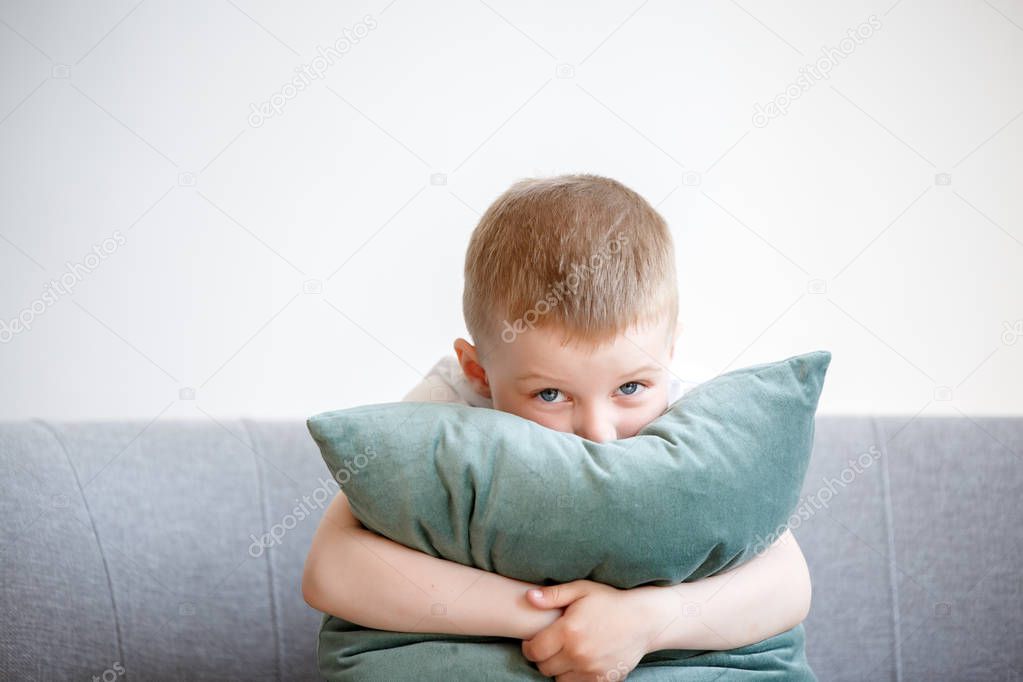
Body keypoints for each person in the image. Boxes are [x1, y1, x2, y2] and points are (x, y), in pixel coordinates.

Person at [303, 174, 811, 680]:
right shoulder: (448, 406)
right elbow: (331, 571)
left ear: (670, 351)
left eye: (630, 388)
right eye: (551, 394)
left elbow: (788, 581)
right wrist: (559, 619)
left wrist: (644, 622)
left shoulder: (692, 414)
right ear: (479, 371)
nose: (599, 432)